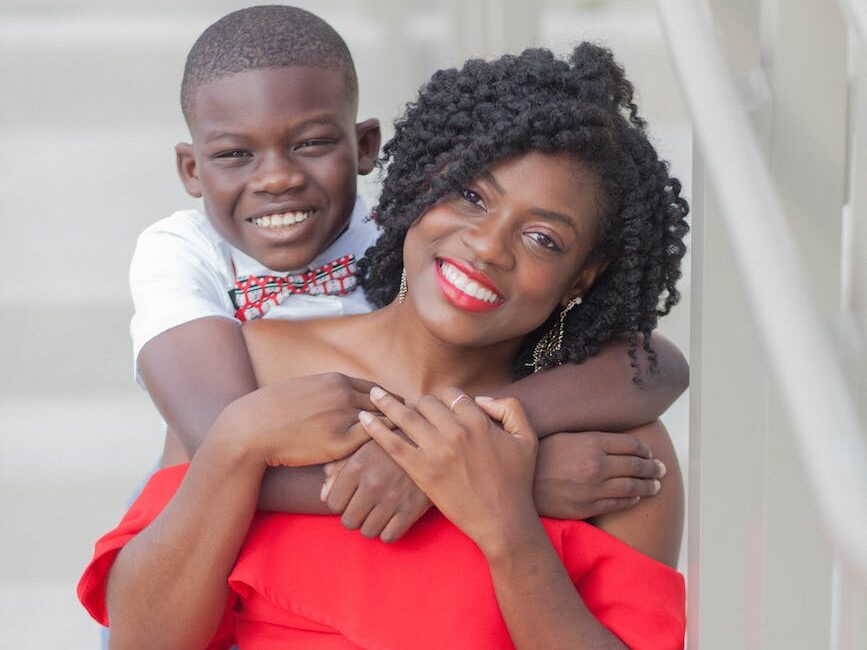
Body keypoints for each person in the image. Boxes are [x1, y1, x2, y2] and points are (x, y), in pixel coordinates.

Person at [80, 43, 689, 649]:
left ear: (582, 277)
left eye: (542, 238)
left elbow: (660, 367)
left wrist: (506, 522)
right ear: (424, 184)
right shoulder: (256, 377)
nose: (486, 246)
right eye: (471, 197)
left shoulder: (614, 454)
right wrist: (241, 444)